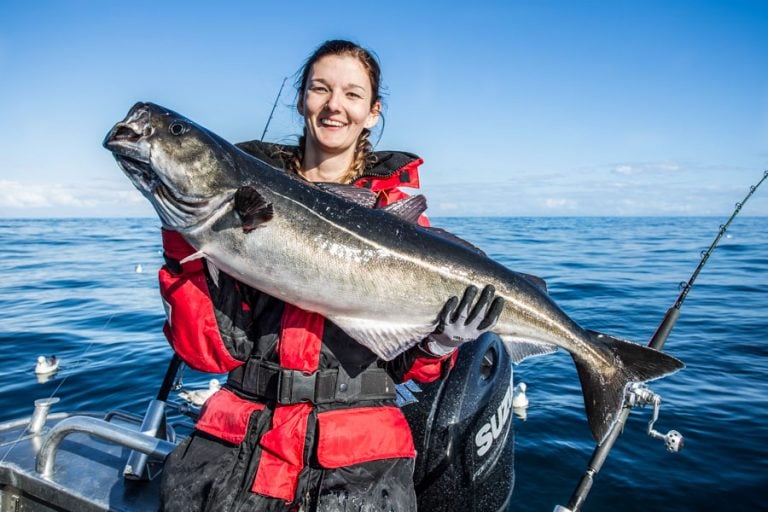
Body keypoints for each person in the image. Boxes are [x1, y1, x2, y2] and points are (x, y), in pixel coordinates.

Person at [158, 39, 503, 512]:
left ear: (373, 111)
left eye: (352, 94)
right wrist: (185, 239)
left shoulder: (401, 228)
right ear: (301, 100)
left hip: (360, 466)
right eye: (320, 89)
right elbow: (206, 353)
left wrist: (441, 343)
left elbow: (410, 369)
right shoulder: (245, 199)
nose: (334, 105)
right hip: (239, 454)